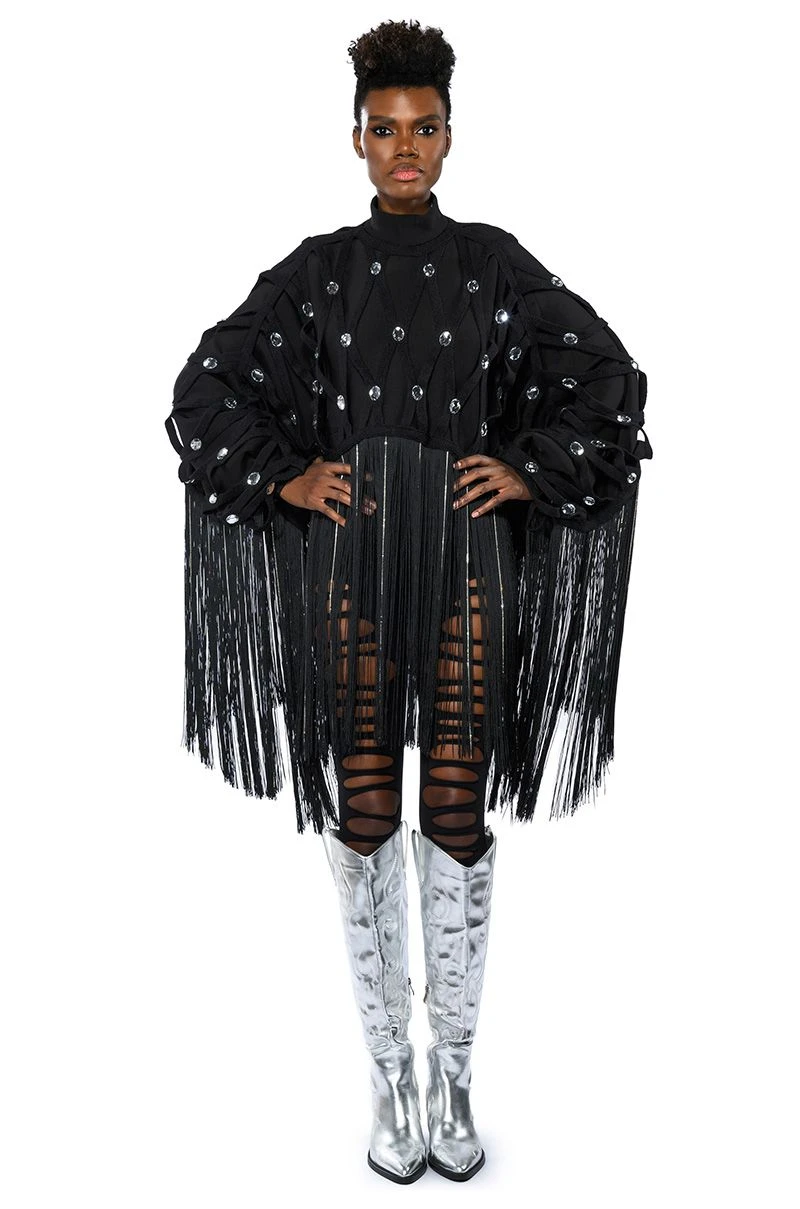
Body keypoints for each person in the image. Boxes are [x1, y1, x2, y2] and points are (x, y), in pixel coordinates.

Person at [163, 17, 652, 1185]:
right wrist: (289, 476)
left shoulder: (491, 263)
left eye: (421, 129)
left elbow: (609, 378)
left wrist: (526, 467)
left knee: (456, 812)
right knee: (367, 810)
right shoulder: (317, 271)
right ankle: (390, 1073)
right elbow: (203, 385)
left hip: (466, 559)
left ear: (447, 136)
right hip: (352, 562)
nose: (402, 149)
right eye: (382, 130)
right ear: (354, 139)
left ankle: (456, 1070)